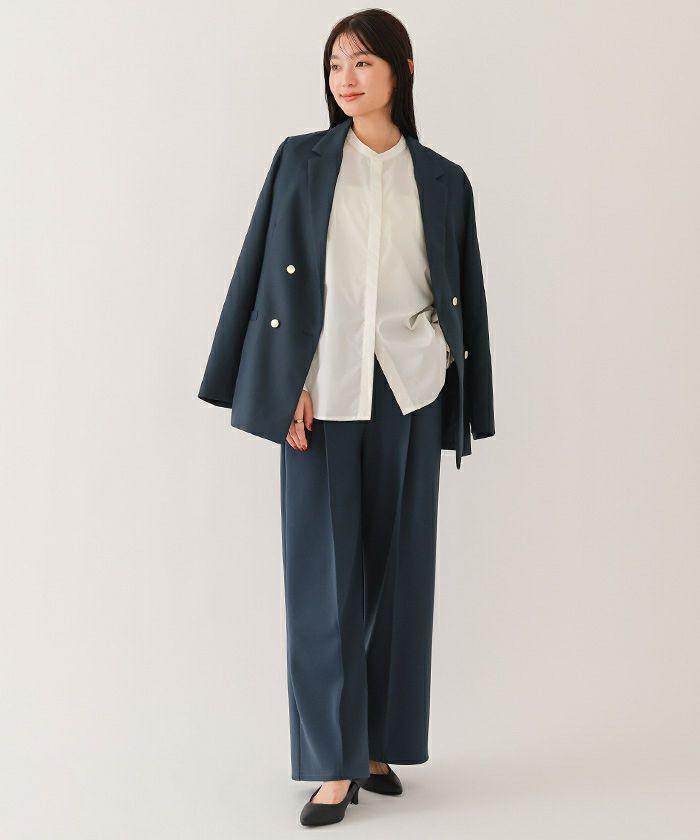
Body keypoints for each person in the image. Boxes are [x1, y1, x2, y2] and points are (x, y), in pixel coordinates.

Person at [198, 9, 495, 828]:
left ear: (403, 69)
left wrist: (449, 372)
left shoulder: (444, 179)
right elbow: (265, 274)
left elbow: (460, 290)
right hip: (322, 394)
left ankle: (377, 746)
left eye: (363, 62)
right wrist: (282, 382)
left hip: (410, 389)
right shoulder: (300, 161)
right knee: (323, 582)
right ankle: (333, 760)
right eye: (335, 65)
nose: (347, 79)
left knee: (400, 578)